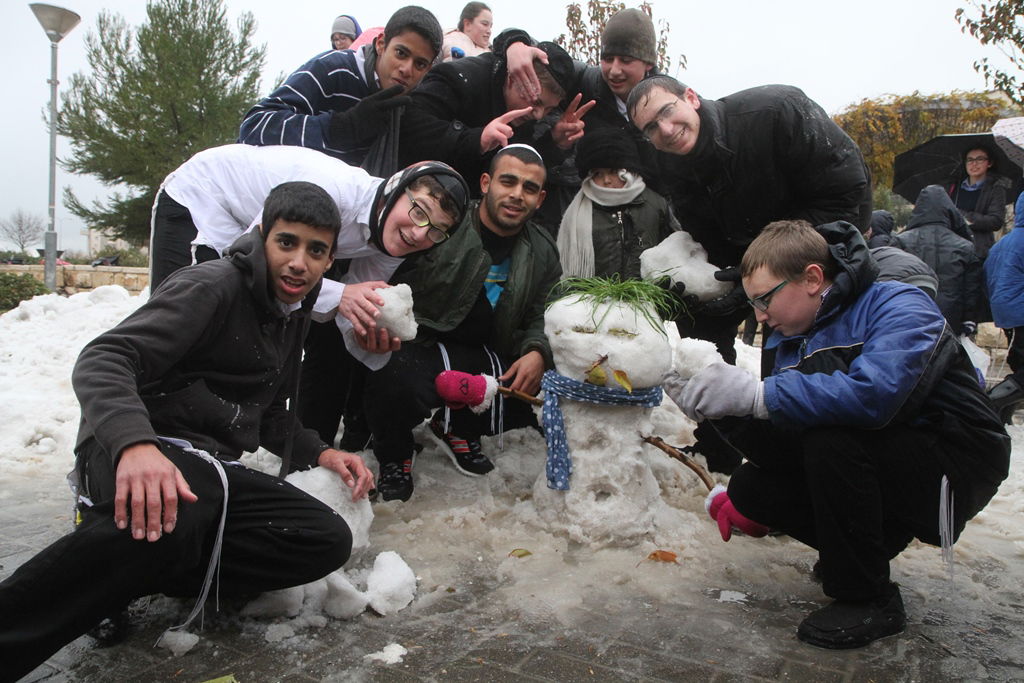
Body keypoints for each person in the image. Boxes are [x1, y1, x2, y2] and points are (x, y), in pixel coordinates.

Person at [0, 182, 378, 680]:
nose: (298, 263)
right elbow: (104, 359)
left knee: (323, 539)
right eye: (287, 242)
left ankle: (129, 565)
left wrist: (322, 452)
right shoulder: (212, 286)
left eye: (316, 250)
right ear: (262, 235)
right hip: (128, 451)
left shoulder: (290, 314)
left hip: (204, 475)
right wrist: (135, 445)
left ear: (329, 260)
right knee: (185, 503)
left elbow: (266, 414)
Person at [663, 219, 1009, 650]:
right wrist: (722, 413)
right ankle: (869, 548)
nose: (759, 316)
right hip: (882, 456)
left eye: (765, 299)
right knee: (753, 486)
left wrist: (755, 394)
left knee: (832, 435)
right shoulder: (788, 337)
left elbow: (876, 397)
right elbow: (787, 443)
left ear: (812, 278)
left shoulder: (898, 303)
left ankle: (869, 599)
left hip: (955, 460)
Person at [626, 75, 872, 365]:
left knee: (797, 365)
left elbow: (846, 191)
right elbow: (706, 233)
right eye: (651, 128)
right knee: (701, 327)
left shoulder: (776, 112)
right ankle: (721, 403)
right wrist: (702, 284)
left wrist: (764, 268)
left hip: (828, 250)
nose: (665, 130)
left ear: (691, 97)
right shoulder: (669, 163)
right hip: (755, 262)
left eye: (666, 111)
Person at [365, 145, 561, 502]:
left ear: (541, 198)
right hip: (422, 341)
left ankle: (458, 426)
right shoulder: (446, 224)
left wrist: (537, 351)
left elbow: (544, 313)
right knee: (393, 377)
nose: (517, 195)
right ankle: (394, 456)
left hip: (487, 350)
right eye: (508, 181)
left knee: (531, 391)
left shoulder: (544, 249)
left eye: (529, 188)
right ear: (485, 183)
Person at [238, 6, 443, 168]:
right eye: (401, 53)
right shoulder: (332, 68)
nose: (407, 69)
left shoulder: (412, 105)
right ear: (381, 44)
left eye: (420, 64)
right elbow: (255, 125)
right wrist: (340, 128)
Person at [397, 38, 581, 190]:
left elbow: (517, 169)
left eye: (549, 109)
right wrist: (477, 140)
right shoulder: (459, 78)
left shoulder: (526, 117)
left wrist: (554, 143)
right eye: (536, 102)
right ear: (514, 77)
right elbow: (410, 129)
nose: (539, 115)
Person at [558, 126, 677, 279]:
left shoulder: (655, 204)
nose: (606, 180)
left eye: (613, 171)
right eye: (598, 174)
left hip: (648, 297)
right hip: (593, 299)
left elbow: (675, 252)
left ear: (627, 170)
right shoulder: (577, 212)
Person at [894, 185, 983, 336]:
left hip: (910, 314)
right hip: (950, 317)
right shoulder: (965, 246)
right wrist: (969, 319)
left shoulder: (901, 241)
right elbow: (971, 289)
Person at [984, 191, 1024, 422]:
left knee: (1019, 369)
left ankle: (1001, 416)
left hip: (1006, 314)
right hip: (1020, 312)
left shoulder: (1004, 242)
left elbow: (987, 275)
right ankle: (989, 403)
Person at [947, 144, 1008, 259]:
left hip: (978, 251)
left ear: (989, 163)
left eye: (979, 159)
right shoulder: (953, 187)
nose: (974, 164)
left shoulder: (995, 189)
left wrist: (965, 217)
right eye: (970, 160)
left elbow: (996, 221)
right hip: (952, 249)